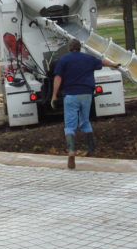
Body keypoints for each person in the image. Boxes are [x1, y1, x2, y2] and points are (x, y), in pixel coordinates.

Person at [51, 38, 120, 169]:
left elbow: (58, 77)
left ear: (69, 48)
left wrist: (54, 95)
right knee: (85, 121)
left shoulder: (64, 59)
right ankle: (91, 150)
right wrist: (114, 63)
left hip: (71, 95)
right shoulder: (88, 58)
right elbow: (102, 62)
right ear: (80, 47)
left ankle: (71, 152)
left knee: (70, 125)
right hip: (86, 94)